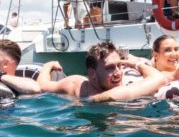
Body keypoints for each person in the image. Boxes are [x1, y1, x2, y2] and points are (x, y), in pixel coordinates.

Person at [37, 41, 169, 102]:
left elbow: (160, 78)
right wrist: (49, 65)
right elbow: (42, 86)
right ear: (92, 73)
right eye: (110, 68)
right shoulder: (76, 84)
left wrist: (135, 64)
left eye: (119, 65)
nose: (118, 73)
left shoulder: (122, 91)